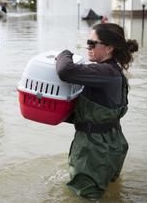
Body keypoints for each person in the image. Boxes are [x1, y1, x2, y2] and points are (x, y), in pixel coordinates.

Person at [56, 22, 139, 199]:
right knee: (109, 193)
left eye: (92, 43)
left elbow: (64, 70)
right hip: (112, 143)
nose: (88, 47)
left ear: (109, 48)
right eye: (88, 42)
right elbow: (100, 111)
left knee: (84, 197)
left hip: (93, 151)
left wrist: (64, 53)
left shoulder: (104, 72)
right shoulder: (113, 71)